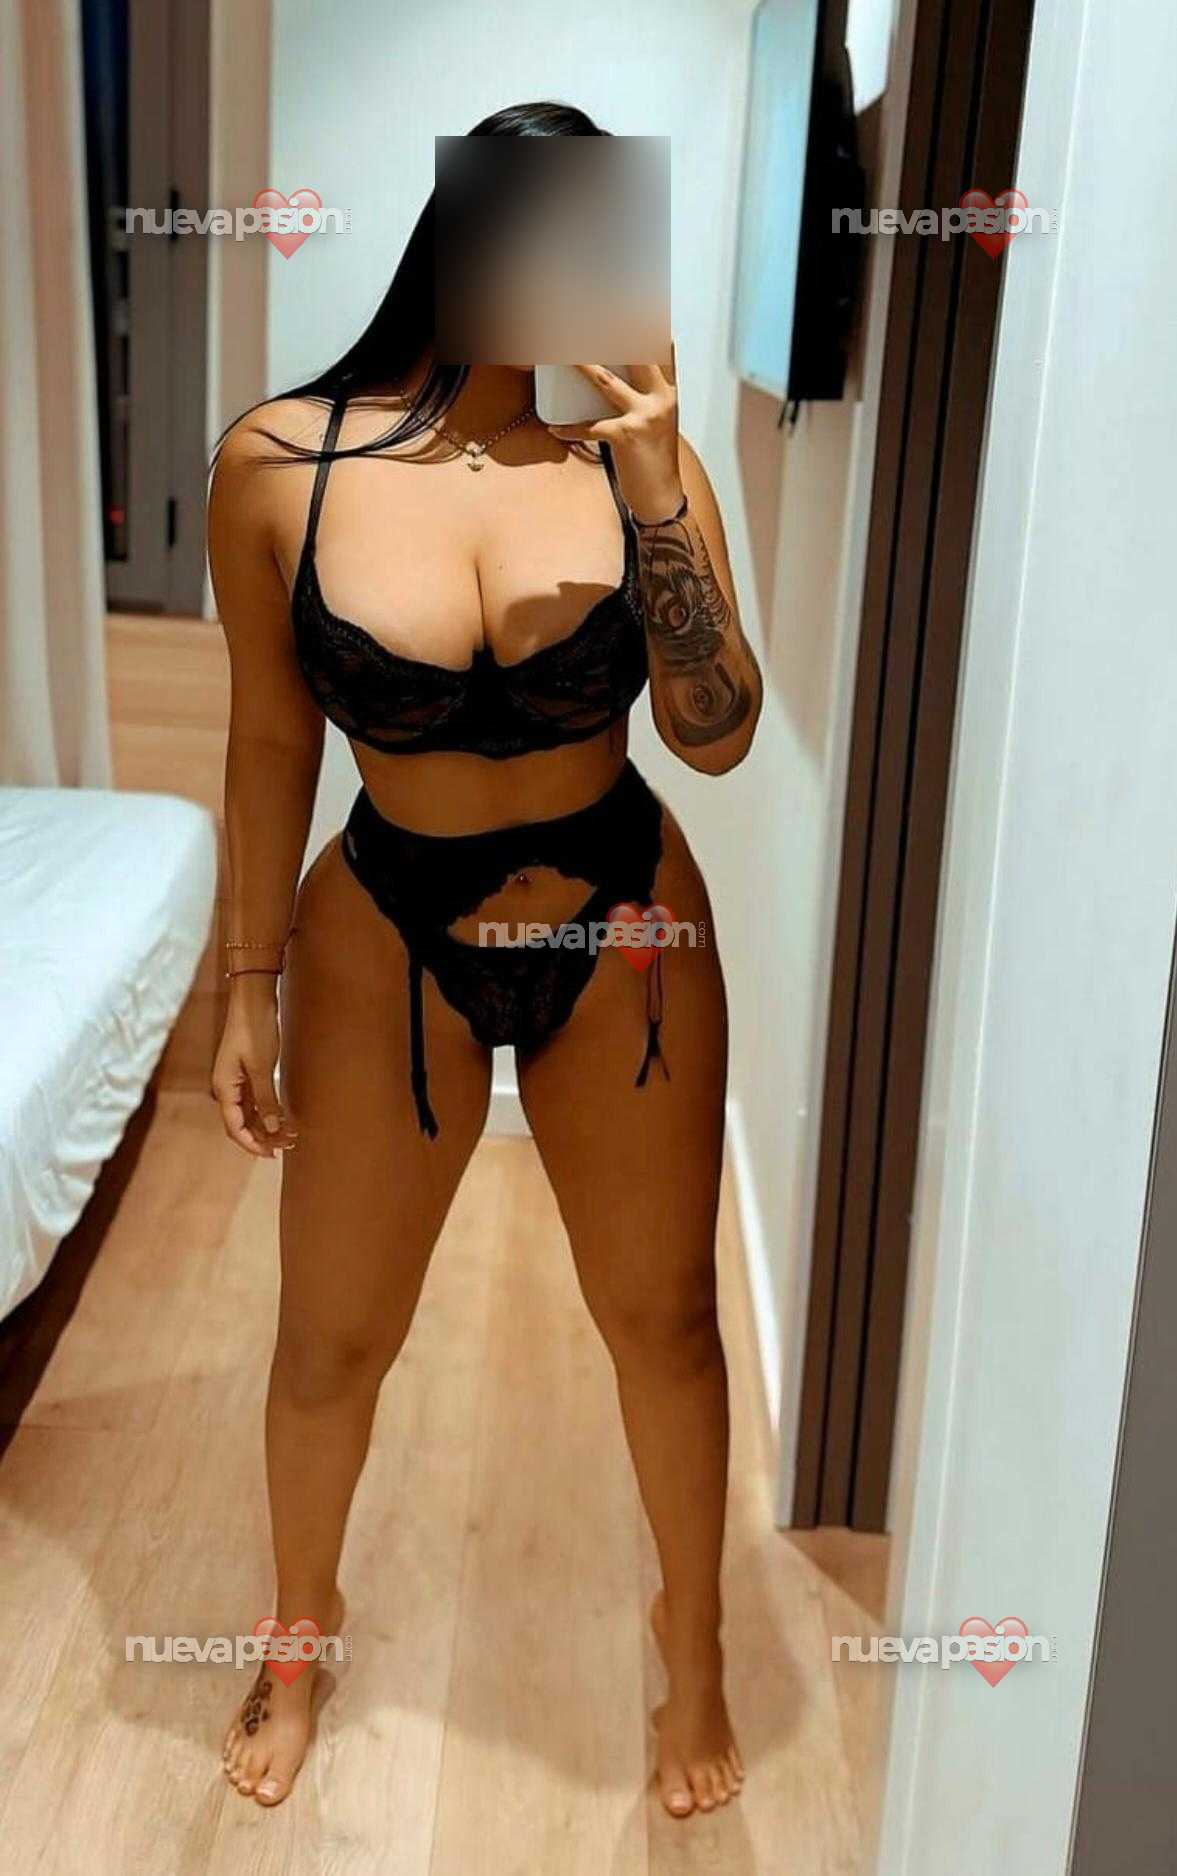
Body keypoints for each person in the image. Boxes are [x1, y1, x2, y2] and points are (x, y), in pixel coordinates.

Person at [208, 100, 762, 1818]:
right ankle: (297, 1641)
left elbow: (716, 730)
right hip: (383, 925)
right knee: (330, 1338)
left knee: (664, 1319)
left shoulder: (634, 462)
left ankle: (693, 1643)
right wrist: (245, 985)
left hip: (624, 918)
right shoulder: (279, 463)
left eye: (609, 238)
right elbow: (267, 738)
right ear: (458, 241)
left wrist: (659, 484)